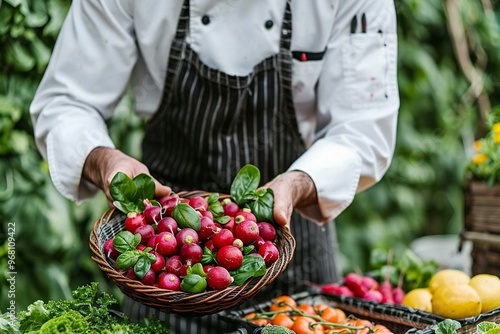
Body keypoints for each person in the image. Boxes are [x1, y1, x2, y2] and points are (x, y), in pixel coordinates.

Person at [30, 0, 399, 332]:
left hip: (285, 245)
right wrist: (103, 160)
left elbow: (363, 129)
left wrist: (299, 184)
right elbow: (66, 101)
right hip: (164, 263)